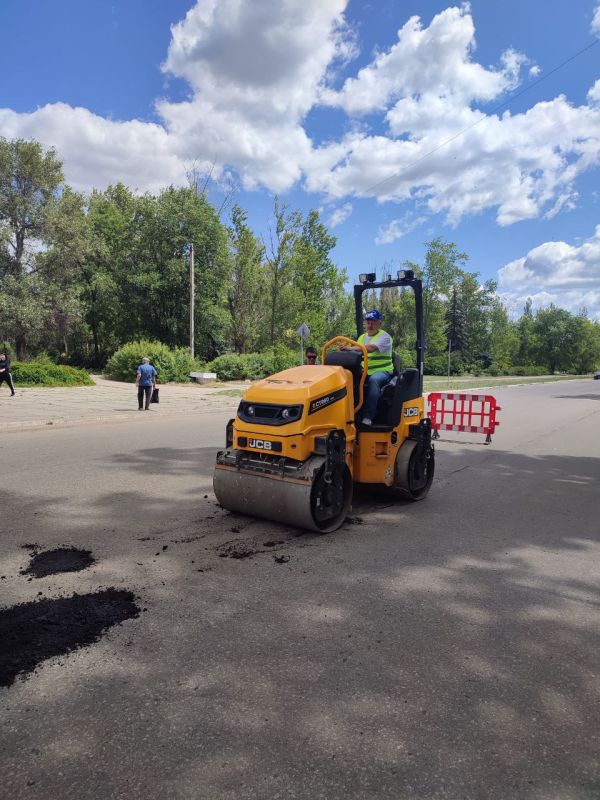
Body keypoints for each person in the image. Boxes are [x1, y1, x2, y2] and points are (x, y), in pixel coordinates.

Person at [341, 309, 393, 425]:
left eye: (373, 322)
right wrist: (344, 350)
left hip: (382, 371)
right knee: (345, 378)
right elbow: (354, 353)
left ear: (379, 323)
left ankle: (368, 417)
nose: (370, 325)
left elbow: (370, 348)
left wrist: (350, 348)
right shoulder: (361, 337)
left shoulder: (385, 337)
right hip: (364, 371)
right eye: (368, 322)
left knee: (374, 380)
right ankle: (346, 414)